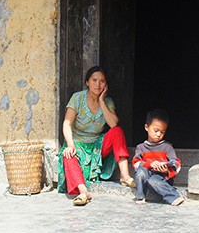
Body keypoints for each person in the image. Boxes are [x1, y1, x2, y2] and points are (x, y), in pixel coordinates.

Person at [57, 66, 135, 206]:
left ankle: (125, 176)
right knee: (67, 155)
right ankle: (83, 191)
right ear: (87, 82)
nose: (98, 84)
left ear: (106, 84)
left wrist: (101, 101)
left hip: (97, 146)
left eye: (102, 81)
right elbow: (66, 124)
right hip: (78, 143)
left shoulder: (107, 101)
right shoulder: (78, 98)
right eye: (94, 80)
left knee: (117, 132)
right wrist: (70, 144)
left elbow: (113, 124)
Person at [132, 109, 184, 206]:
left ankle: (174, 196)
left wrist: (166, 170)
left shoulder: (167, 147)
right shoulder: (141, 147)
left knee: (153, 181)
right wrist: (149, 164)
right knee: (140, 172)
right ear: (146, 127)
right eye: (156, 131)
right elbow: (136, 163)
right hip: (146, 176)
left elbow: (176, 163)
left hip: (161, 178)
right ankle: (140, 196)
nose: (159, 134)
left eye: (162, 132)